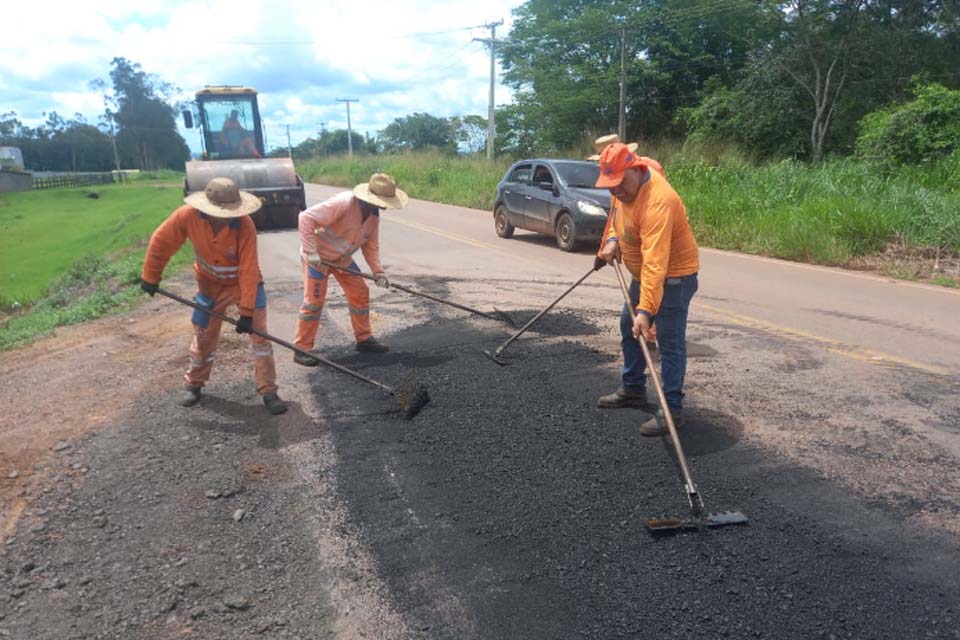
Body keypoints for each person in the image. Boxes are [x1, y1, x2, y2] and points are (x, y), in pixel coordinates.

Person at [140, 177, 288, 415]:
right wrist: (150, 276)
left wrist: (247, 312)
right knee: (203, 336)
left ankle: (269, 390)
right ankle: (194, 384)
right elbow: (162, 242)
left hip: (244, 285)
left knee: (260, 339)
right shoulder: (186, 216)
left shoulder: (245, 225)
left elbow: (248, 268)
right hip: (209, 286)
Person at [594, 143, 699, 437]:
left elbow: (657, 262)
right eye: (609, 186)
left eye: (618, 184)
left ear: (634, 169)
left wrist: (646, 310)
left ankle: (672, 411)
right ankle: (633, 389)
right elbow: (618, 218)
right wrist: (613, 241)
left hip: (673, 277)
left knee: (668, 341)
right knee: (629, 325)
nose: (615, 192)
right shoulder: (622, 189)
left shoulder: (658, 201)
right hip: (645, 275)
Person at [293, 172, 409, 365]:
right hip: (319, 259)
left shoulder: (373, 216)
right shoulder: (345, 203)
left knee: (360, 291)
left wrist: (378, 271)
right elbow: (306, 218)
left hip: (342, 259)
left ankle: (364, 339)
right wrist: (310, 251)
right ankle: (301, 349)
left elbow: (370, 245)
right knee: (313, 302)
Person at [590, 133, 665, 348]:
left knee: (653, 311)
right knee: (631, 320)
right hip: (637, 259)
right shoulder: (615, 179)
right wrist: (610, 243)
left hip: (655, 247)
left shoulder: (649, 173)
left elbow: (652, 218)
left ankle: (651, 332)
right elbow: (617, 215)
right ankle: (635, 372)